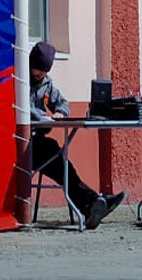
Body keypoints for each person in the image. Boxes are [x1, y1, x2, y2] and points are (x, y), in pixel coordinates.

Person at [29, 42, 126, 228]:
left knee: (62, 164)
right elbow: (22, 108)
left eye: (45, 70)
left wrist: (60, 113)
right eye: (38, 69)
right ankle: (92, 202)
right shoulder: (20, 80)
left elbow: (62, 103)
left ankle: (92, 203)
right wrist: (41, 117)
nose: (40, 74)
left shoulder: (46, 83)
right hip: (21, 143)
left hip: (38, 141)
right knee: (57, 159)